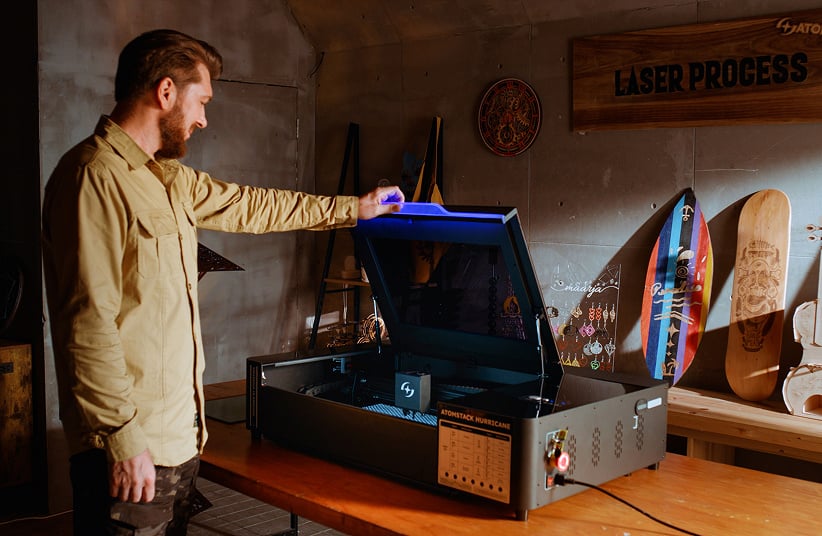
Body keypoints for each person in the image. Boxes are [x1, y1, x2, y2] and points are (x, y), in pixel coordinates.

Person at [41, 28, 404, 535]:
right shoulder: (93, 179)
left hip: (177, 442)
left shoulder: (169, 179)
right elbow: (89, 329)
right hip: (129, 452)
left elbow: (256, 205)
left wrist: (355, 210)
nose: (203, 118)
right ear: (165, 92)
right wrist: (124, 443)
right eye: (201, 101)